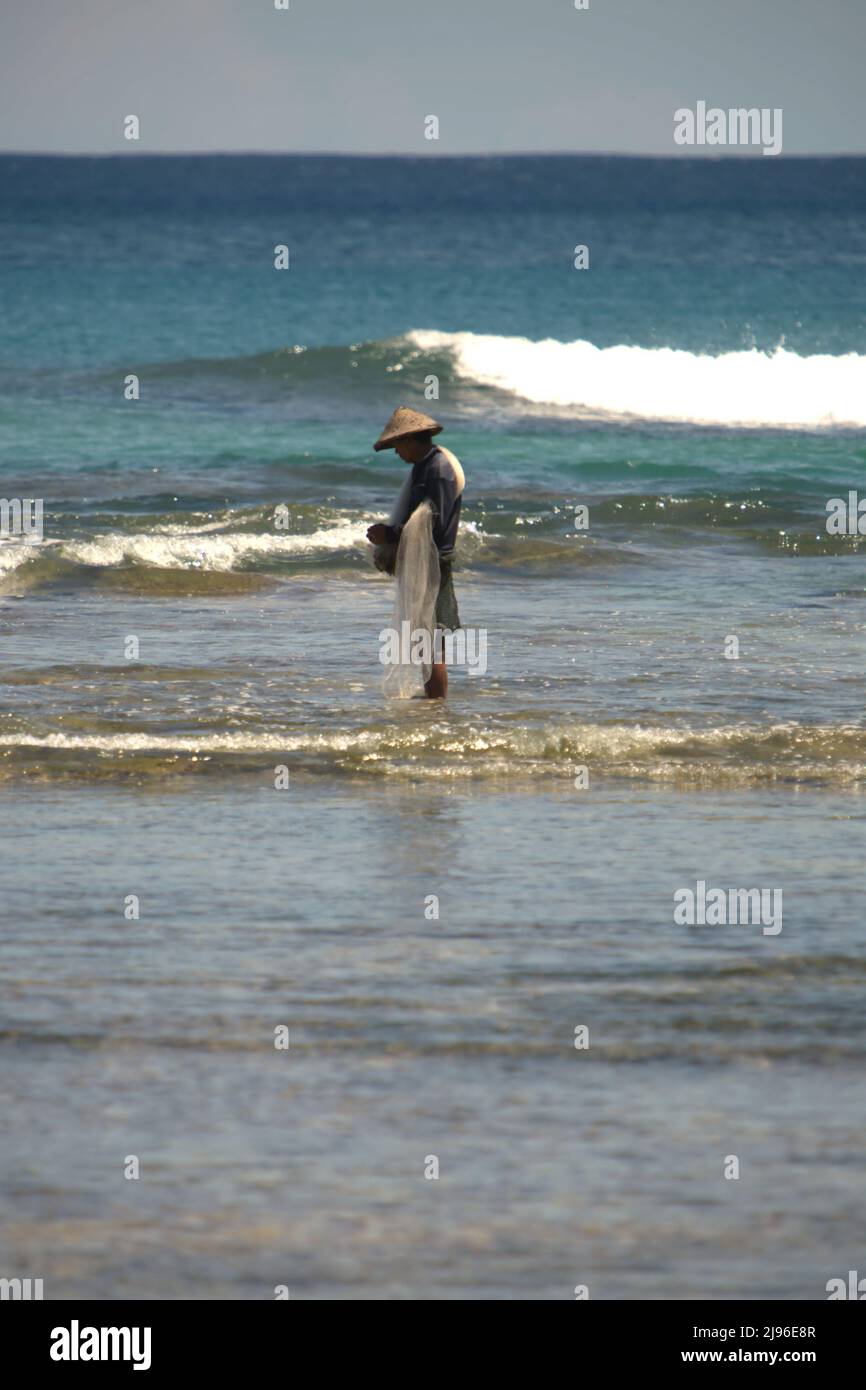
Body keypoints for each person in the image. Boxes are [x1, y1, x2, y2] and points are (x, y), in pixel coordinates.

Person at [366, 406, 464, 698]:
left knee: (432, 643)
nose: (397, 453)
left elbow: (432, 523)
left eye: (397, 445)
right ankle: (433, 703)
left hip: (434, 563)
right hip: (426, 561)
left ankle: (437, 706)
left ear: (410, 440)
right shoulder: (426, 466)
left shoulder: (437, 470)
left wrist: (390, 534)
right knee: (426, 641)